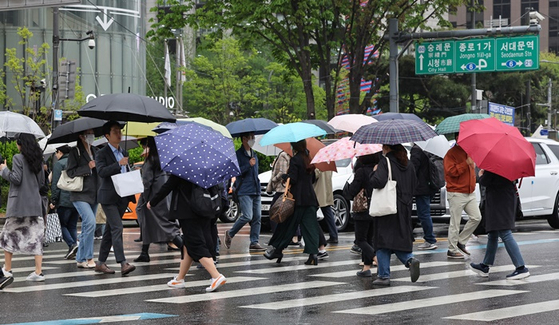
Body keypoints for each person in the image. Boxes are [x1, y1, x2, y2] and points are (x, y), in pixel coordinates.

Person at [148, 175, 227, 292]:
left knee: (196, 244)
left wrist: (152, 202)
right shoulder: (206, 167)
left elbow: (168, 186)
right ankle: (180, 279)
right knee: (187, 245)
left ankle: (216, 276)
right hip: (205, 209)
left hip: (188, 212)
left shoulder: (183, 168)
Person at [264, 139, 321, 265]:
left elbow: (293, 179)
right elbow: (311, 179)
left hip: (297, 199)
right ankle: (313, 254)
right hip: (310, 199)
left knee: (287, 226)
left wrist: (286, 177)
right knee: (310, 228)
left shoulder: (295, 160)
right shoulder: (309, 159)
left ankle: (277, 250)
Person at [370, 144, 420, 286]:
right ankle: (410, 260)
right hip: (404, 208)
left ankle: (384, 275)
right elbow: (414, 184)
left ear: (387, 148)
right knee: (397, 241)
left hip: (388, 207)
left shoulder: (385, 162)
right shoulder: (408, 164)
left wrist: (374, 172)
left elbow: (377, 182)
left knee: (382, 242)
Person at [0, 133, 46, 282]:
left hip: (18, 205)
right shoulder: (39, 160)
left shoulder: (17, 158)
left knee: (8, 235)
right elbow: (41, 184)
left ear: (21, 144)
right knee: (36, 237)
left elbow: (16, 179)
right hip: (34, 204)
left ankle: (7, 269)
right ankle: (38, 272)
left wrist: (4, 170)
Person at [470, 170, 530, 280]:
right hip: (503, 199)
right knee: (493, 233)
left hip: (499, 202)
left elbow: (486, 181)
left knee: (505, 232)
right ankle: (485, 265)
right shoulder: (508, 164)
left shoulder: (495, 165)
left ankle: (521, 267)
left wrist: (481, 175)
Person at [94, 120, 136, 275]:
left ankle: (100, 262)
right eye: (115, 131)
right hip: (108, 196)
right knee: (118, 227)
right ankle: (123, 262)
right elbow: (101, 171)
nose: (119, 134)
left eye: (120, 131)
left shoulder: (124, 152)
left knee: (110, 230)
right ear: (107, 135)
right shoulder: (101, 153)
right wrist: (118, 164)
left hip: (123, 195)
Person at [134, 137, 181, 262]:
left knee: (167, 227)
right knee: (147, 222)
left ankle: (185, 249)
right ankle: (144, 252)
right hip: (165, 197)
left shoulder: (151, 160)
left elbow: (147, 181)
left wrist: (145, 197)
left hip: (153, 198)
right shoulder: (166, 159)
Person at [224, 132, 265, 251]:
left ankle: (254, 242)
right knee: (247, 216)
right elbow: (236, 172)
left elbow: (255, 172)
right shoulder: (238, 155)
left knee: (257, 217)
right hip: (244, 190)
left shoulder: (254, 154)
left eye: (253, 137)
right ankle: (230, 233)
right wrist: (248, 165)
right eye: (250, 137)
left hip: (255, 189)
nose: (252, 140)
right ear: (244, 139)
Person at [444, 134, 482, 259]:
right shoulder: (451, 153)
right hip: (456, 192)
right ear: (457, 139)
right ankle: (452, 249)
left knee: (476, 217)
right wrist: (466, 163)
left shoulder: (470, 151)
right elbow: (451, 172)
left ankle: (460, 241)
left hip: (469, 192)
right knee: (455, 222)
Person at [343, 153, 381, 277]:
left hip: (362, 210)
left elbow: (353, 190)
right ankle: (366, 268)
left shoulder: (361, 171)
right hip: (375, 207)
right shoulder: (378, 170)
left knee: (360, 240)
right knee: (369, 239)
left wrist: (347, 187)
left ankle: (376, 258)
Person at [67, 128, 99, 269]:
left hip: (94, 193)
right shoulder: (76, 152)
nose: (91, 136)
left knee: (88, 226)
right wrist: (88, 167)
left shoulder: (97, 151)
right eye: (88, 133)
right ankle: (89, 257)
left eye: (92, 133)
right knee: (90, 222)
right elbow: (70, 172)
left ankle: (80, 258)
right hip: (79, 194)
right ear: (81, 136)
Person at [50, 145, 80, 259]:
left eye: (56, 153)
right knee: (72, 225)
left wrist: (53, 199)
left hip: (64, 200)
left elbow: (56, 184)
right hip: (76, 198)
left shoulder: (59, 164)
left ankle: (72, 244)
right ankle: (74, 248)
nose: (56, 155)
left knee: (61, 225)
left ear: (60, 152)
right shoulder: (76, 162)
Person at [410, 144, 438, 250]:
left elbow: (413, 169)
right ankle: (429, 239)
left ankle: (430, 240)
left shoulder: (416, 151)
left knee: (424, 214)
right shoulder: (428, 150)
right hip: (431, 185)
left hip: (421, 188)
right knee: (425, 213)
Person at [313, 169, 338, 244]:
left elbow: (315, 175)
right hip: (326, 189)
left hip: (318, 190)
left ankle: (314, 236)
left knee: (309, 214)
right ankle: (334, 235)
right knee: (328, 212)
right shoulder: (328, 161)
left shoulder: (318, 161)